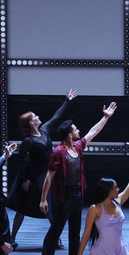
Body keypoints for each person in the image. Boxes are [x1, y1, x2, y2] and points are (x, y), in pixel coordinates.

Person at [39, 102, 117, 255]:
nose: (78, 131)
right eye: (75, 129)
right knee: (55, 230)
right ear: (69, 134)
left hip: (77, 194)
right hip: (63, 196)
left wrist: (105, 117)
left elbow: (93, 132)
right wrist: (43, 199)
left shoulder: (78, 147)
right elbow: (49, 177)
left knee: (75, 229)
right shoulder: (58, 152)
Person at [7, 89, 77, 245]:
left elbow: (56, 116)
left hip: (46, 175)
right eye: (35, 117)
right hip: (33, 176)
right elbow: (20, 160)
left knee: (51, 206)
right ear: (31, 122)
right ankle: (12, 237)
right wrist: (24, 179)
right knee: (22, 208)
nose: (38, 117)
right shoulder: (28, 141)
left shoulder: (44, 130)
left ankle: (55, 238)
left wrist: (67, 100)